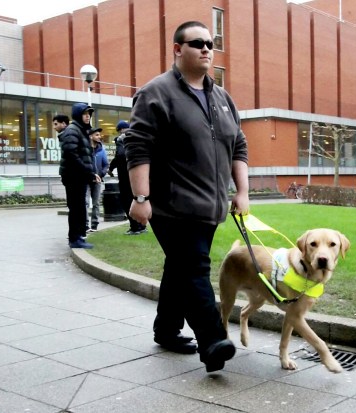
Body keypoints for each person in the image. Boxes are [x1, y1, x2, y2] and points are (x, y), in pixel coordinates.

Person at [124, 21, 249, 373]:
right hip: (171, 205)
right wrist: (141, 197)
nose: (206, 48)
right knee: (194, 267)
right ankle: (212, 340)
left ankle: (166, 329)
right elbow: (138, 147)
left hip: (209, 206)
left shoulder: (222, 98)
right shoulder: (156, 93)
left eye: (210, 43)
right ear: (177, 49)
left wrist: (241, 192)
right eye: (197, 43)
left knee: (180, 267)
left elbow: (238, 144)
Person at [59, 103, 100, 249]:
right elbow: (72, 155)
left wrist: (90, 173)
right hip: (73, 176)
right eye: (85, 113)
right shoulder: (73, 130)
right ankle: (75, 239)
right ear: (78, 115)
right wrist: (86, 171)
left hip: (79, 175)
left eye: (89, 113)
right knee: (76, 208)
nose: (88, 116)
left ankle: (79, 237)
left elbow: (84, 155)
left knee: (80, 207)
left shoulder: (81, 130)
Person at [108, 121, 147, 235]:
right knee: (139, 199)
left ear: (120, 130)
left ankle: (135, 227)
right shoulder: (138, 138)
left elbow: (120, 155)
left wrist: (111, 169)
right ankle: (142, 225)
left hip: (126, 176)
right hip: (138, 175)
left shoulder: (121, 140)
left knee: (127, 201)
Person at [86, 127, 109, 232]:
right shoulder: (85, 149)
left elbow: (106, 165)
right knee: (85, 202)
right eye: (97, 135)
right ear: (91, 136)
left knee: (96, 203)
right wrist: (91, 175)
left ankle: (94, 225)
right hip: (86, 179)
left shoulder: (101, 149)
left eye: (99, 135)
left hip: (98, 181)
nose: (99, 137)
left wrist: (100, 175)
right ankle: (85, 225)